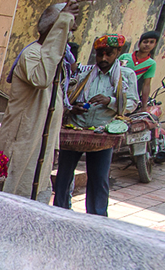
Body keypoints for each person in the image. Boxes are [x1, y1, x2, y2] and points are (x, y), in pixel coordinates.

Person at [0, 0, 79, 204]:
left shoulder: (55, 61)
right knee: (12, 196)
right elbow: (41, 79)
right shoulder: (32, 54)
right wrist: (63, 22)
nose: (67, 38)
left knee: (35, 197)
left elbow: (55, 107)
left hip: (40, 150)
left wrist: (54, 146)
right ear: (55, 30)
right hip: (22, 144)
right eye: (65, 32)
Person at [54, 34, 138, 216]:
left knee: (99, 177)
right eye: (100, 55)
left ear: (118, 52)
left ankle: (97, 217)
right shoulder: (85, 73)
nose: (103, 59)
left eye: (108, 54)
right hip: (77, 129)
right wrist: (73, 108)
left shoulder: (127, 75)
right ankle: (60, 212)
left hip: (102, 134)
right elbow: (68, 97)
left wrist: (110, 101)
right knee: (63, 175)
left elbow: (132, 103)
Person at [119, 31, 159, 110]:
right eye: (145, 42)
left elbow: (146, 85)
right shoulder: (125, 56)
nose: (147, 44)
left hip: (128, 92)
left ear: (155, 45)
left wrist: (144, 106)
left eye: (151, 42)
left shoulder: (151, 64)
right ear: (139, 43)